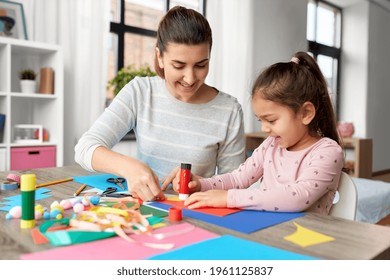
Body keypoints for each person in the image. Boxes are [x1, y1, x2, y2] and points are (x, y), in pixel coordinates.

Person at [74, 6, 245, 202]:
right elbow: (85, 148)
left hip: (195, 215)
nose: (189, 78)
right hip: (144, 211)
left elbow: (236, 184)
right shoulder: (140, 91)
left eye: (201, 65)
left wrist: (202, 183)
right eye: (178, 65)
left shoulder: (229, 110)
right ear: (160, 57)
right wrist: (129, 167)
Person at [171, 51, 344, 215]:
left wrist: (229, 198)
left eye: (272, 120)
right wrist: (201, 185)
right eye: (262, 120)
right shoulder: (271, 144)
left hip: (305, 240)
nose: (265, 129)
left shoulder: (327, 151)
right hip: (265, 232)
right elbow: (238, 179)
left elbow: (298, 197)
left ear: (306, 113)